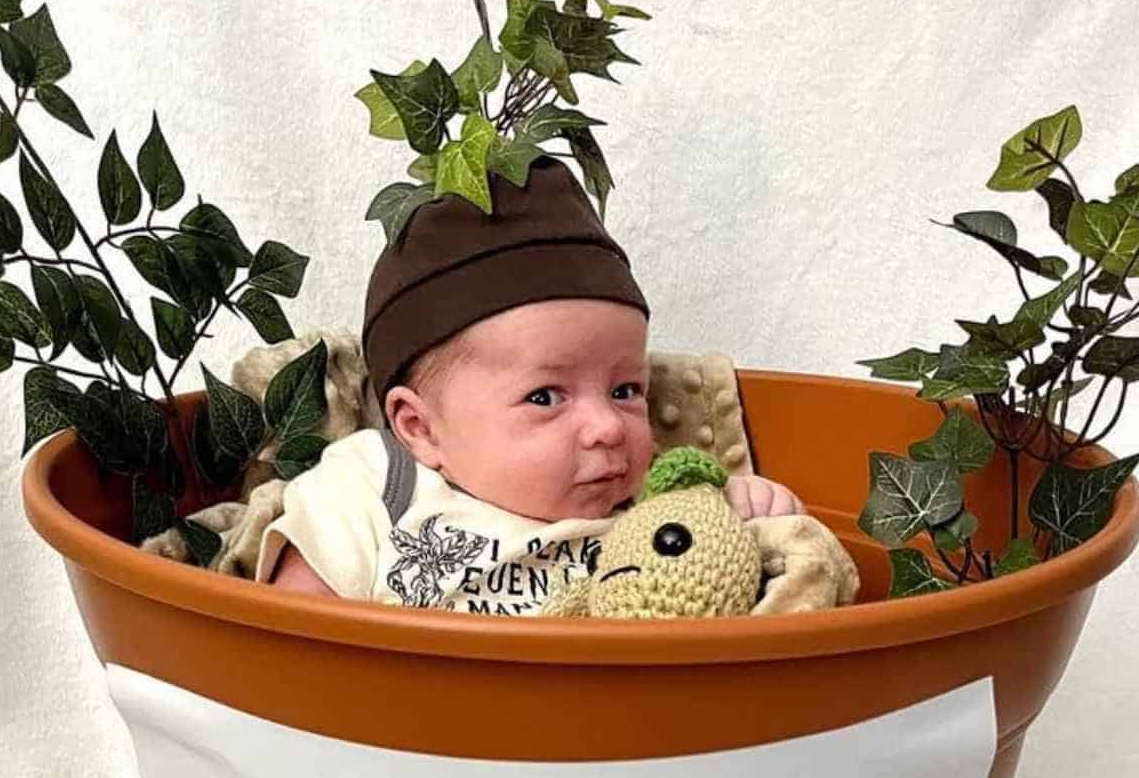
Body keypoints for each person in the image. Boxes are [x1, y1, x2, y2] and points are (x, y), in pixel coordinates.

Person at [255, 157, 804, 614]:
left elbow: (727, 587)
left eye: (626, 391)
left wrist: (744, 512)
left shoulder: (650, 502)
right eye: (544, 397)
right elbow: (297, 628)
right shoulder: (380, 483)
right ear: (420, 428)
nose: (608, 426)